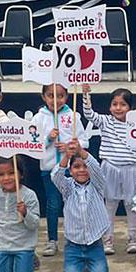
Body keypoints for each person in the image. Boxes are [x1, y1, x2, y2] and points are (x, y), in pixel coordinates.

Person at [83, 85, 136, 255]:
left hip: (131, 170)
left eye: (123, 104)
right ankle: (108, 240)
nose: (118, 108)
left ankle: (132, 239)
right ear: (110, 106)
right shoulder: (105, 121)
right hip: (109, 168)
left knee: (131, 205)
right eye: (114, 104)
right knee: (109, 205)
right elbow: (89, 114)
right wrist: (85, 94)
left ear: (130, 108)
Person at [32, 84, 88, 257]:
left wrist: (71, 146)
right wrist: (48, 139)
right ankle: (52, 240)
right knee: (53, 204)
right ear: (43, 96)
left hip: (71, 171)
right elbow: (32, 144)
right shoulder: (38, 118)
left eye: (61, 96)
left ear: (67, 97)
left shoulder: (73, 116)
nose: (56, 100)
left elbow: (84, 141)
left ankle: (77, 238)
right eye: (51, 95)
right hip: (49, 169)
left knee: (74, 204)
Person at [52, 139, 109, 272]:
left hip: (94, 242)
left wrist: (81, 151)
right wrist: (67, 155)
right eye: (76, 167)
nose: (82, 170)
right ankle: (80, 265)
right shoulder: (67, 187)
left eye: (85, 166)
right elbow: (55, 176)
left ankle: (90, 264)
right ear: (70, 171)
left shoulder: (97, 185)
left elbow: (95, 167)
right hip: (73, 245)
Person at [0, 156, 40, 272]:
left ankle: (30, 258)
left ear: (21, 174)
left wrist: (25, 213)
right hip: (2, 245)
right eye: (1, 174)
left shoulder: (29, 195)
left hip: (24, 245)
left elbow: (34, 224)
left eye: (11, 173)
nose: (6, 178)